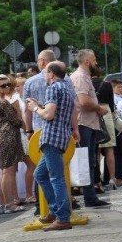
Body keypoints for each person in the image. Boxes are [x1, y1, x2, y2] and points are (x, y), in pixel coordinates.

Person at [26, 62, 77, 231]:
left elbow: (48, 115)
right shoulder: (67, 88)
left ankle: (62, 218)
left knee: (56, 178)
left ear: (52, 74)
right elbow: (59, 111)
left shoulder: (53, 88)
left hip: (51, 137)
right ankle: (55, 211)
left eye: (46, 72)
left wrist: (34, 108)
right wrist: (40, 105)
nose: (45, 75)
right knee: (40, 174)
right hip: (61, 136)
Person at [70, 50, 110, 208]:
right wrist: (99, 108)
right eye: (94, 59)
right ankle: (89, 197)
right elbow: (83, 101)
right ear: (87, 61)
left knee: (89, 160)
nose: (96, 63)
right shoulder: (80, 77)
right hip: (84, 123)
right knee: (85, 161)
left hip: (88, 123)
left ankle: (90, 195)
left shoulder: (84, 76)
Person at [0, 75, 25, 214]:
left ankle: (2, 204)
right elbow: (16, 121)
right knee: (9, 171)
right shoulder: (2, 102)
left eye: (8, 84)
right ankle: (10, 204)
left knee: (3, 171)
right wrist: (18, 111)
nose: (7, 87)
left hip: (2, 138)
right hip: (9, 137)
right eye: (3, 85)